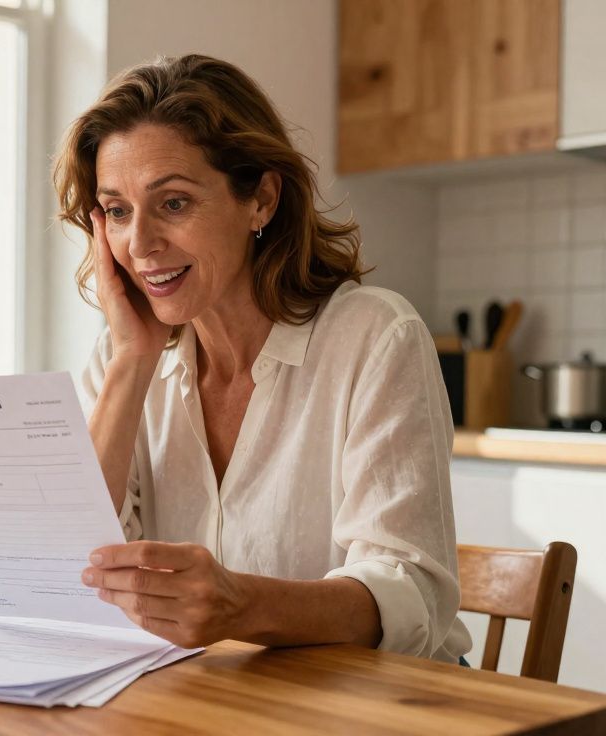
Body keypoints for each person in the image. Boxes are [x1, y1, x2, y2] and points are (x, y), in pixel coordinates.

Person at [55, 55, 471, 663]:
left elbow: (411, 595)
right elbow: (74, 569)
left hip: (384, 706)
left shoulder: (375, 335)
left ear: (262, 200)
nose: (140, 244)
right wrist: (131, 363)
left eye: (172, 203)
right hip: (223, 699)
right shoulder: (126, 354)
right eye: (117, 211)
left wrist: (241, 606)